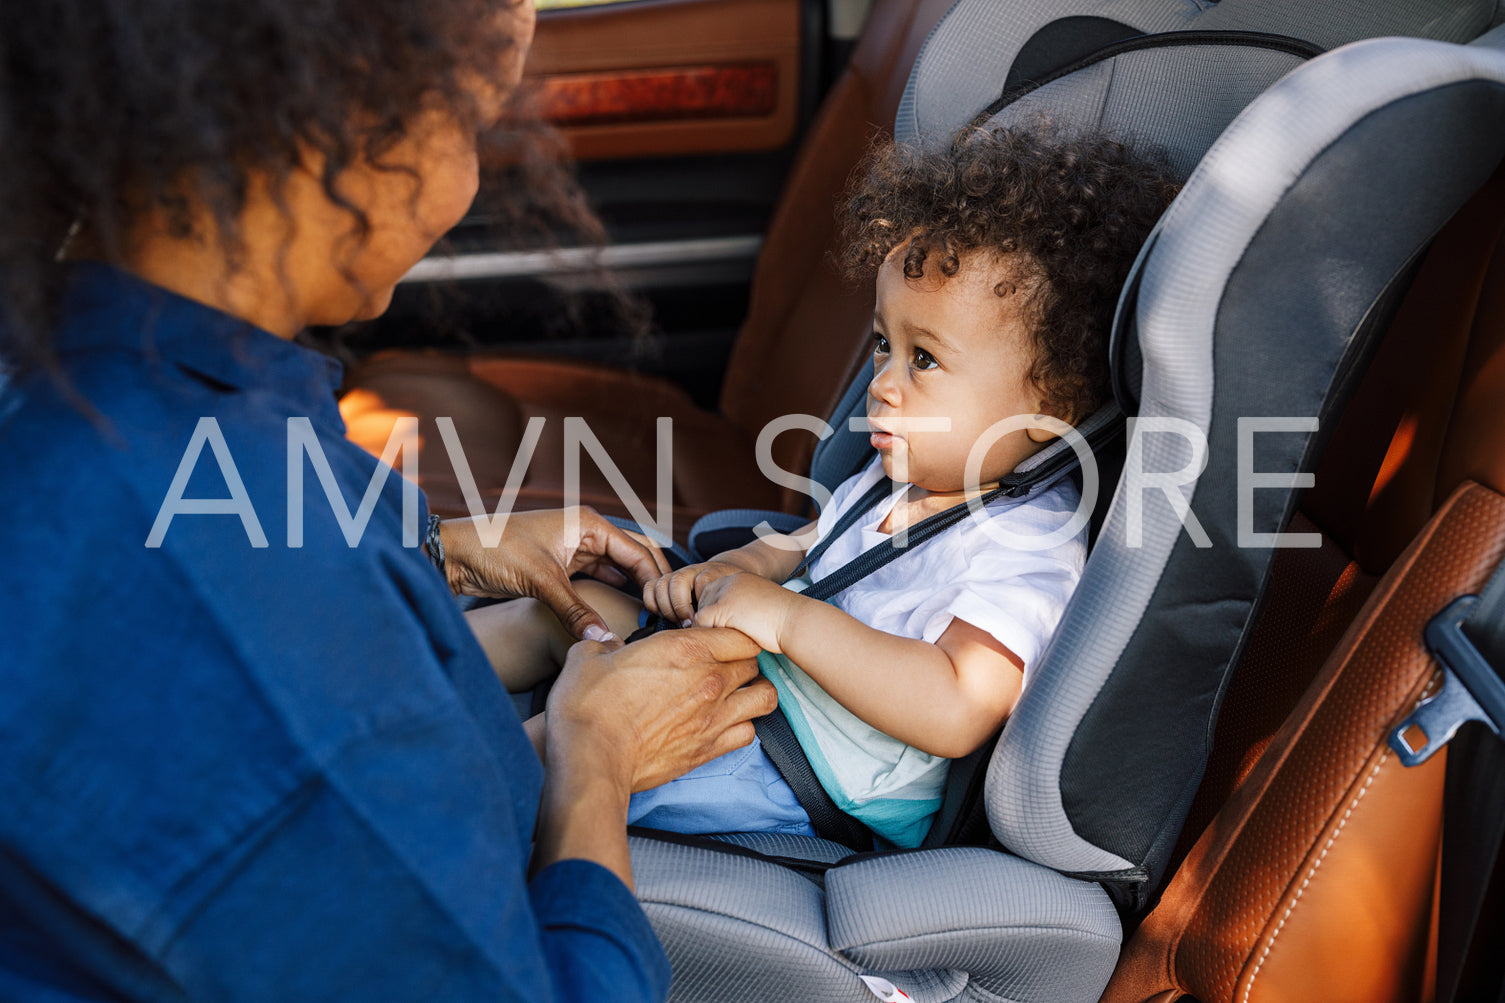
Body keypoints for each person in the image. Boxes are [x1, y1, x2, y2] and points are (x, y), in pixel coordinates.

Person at [0, 1, 776, 1001]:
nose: (473, 176)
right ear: (334, 123)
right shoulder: (255, 624)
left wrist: (431, 548)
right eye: (467, 120)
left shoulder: (74, 366)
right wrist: (599, 758)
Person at [468, 124, 1181, 848]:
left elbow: (958, 703)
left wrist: (784, 619)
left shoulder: (1026, 540)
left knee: (583, 733)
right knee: (562, 611)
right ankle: (385, 686)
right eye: (883, 345)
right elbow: (817, 538)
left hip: (812, 765)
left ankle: (432, 790)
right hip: (769, 685)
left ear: (1051, 402)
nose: (882, 385)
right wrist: (746, 567)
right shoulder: (904, 474)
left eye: (924, 360)